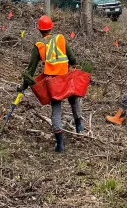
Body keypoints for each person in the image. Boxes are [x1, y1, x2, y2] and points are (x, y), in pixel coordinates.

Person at [19, 15, 83, 153]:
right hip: (65, 77)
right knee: (74, 99)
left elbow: (30, 70)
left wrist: (23, 86)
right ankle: (79, 125)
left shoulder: (39, 46)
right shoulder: (60, 38)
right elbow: (72, 58)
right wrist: (73, 66)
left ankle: (60, 144)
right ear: (51, 27)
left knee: (56, 109)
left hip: (53, 83)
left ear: (39, 30)